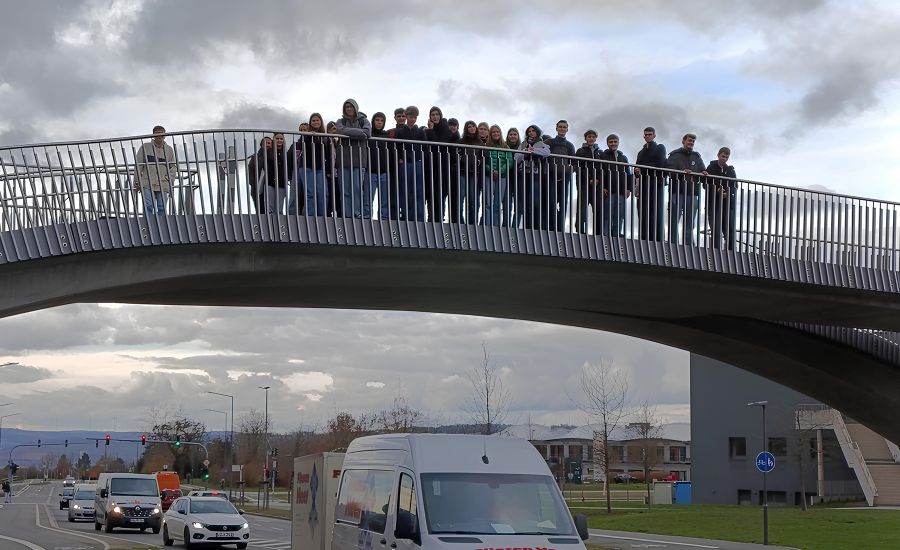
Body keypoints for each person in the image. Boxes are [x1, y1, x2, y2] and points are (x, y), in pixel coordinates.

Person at [667, 133, 708, 245]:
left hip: (692, 193)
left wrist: (703, 173)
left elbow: (702, 170)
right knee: (674, 219)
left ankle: (689, 244)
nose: (691, 143)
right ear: (683, 141)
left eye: (693, 141)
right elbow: (669, 171)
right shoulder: (674, 155)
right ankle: (673, 243)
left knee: (690, 221)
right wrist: (682, 173)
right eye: (689, 140)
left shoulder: (697, 157)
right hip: (677, 192)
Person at [335, 98, 372, 219]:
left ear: (356, 108)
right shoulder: (340, 121)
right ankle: (347, 215)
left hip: (359, 160)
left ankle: (356, 214)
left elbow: (367, 132)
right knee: (345, 190)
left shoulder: (364, 120)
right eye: (347, 107)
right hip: (343, 160)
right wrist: (359, 133)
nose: (349, 109)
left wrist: (349, 133)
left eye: (351, 107)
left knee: (356, 189)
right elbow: (340, 130)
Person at [288, 113, 329, 216]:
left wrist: (328, 169)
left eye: (317, 120)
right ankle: (310, 216)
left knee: (322, 193)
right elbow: (301, 146)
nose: (315, 122)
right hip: (306, 167)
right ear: (310, 123)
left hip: (320, 168)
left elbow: (328, 154)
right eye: (313, 121)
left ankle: (322, 216)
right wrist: (309, 135)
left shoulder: (325, 137)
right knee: (310, 194)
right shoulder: (306, 136)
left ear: (321, 122)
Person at [135, 125, 178, 216]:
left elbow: (173, 167)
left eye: (162, 134)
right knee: (148, 205)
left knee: (162, 206)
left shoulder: (169, 150)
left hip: (163, 183)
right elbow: (138, 165)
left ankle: (161, 227)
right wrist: (137, 181)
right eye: (157, 134)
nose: (159, 136)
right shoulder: (145, 147)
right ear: (153, 135)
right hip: (147, 181)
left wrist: (169, 179)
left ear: (165, 135)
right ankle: (148, 226)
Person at [394, 106, 428, 222]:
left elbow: (425, 148)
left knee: (418, 191)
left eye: (414, 117)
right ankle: (405, 215)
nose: (412, 119)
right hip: (405, 163)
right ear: (406, 116)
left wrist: (422, 159)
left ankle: (419, 216)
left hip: (417, 163)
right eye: (410, 117)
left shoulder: (420, 132)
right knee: (405, 190)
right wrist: (399, 158)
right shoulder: (399, 132)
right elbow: (396, 147)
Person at [514, 124, 551, 230]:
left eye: (533, 131)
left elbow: (547, 153)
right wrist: (525, 151)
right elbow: (516, 157)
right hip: (522, 174)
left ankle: (536, 227)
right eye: (529, 131)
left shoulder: (541, 143)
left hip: (535, 175)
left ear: (537, 132)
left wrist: (533, 150)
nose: (531, 133)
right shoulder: (523, 144)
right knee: (524, 202)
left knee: (535, 202)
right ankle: (527, 227)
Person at [634, 127, 667, 242]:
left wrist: (642, 169)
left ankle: (657, 240)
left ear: (654, 135)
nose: (647, 136)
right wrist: (637, 172)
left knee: (655, 213)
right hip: (643, 186)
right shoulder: (641, 152)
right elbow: (637, 167)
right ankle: (643, 239)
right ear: (644, 136)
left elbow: (660, 163)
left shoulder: (660, 148)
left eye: (650, 134)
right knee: (642, 212)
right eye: (646, 135)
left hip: (655, 185)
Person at [544, 120, 576, 232]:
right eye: (560, 127)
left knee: (563, 204)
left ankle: (560, 229)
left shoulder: (570, 145)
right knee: (551, 203)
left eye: (564, 127)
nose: (562, 129)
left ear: (567, 129)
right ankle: (551, 228)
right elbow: (543, 156)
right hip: (551, 177)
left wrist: (568, 170)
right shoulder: (550, 142)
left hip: (565, 178)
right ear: (556, 128)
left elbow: (574, 163)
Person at [425, 106, 455, 222]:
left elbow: (439, 144)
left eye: (437, 114)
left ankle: (439, 219)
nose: (435, 117)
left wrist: (431, 130)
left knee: (440, 194)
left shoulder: (445, 128)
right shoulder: (428, 130)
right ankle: (430, 218)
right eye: (433, 115)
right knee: (430, 194)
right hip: (430, 167)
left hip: (442, 167)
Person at [599, 134, 633, 237]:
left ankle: (616, 233)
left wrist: (629, 188)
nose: (613, 144)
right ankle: (605, 233)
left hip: (622, 191)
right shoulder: (603, 156)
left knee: (620, 214)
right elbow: (600, 172)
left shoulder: (623, 157)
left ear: (618, 143)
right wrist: (602, 186)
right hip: (609, 190)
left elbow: (628, 173)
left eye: (615, 142)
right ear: (607, 143)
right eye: (611, 142)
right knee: (607, 214)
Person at [705, 147, 737, 250]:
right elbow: (705, 185)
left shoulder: (730, 170)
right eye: (723, 156)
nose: (725, 158)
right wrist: (717, 190)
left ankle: (731, 253)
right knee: (716, 230)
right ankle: (716, 253)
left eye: (727, 157)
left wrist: (727, 193)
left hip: (727, 205)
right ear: (718, 155)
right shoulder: (711, 168)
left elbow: (735, 186)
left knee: (730, 231)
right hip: (714, 204)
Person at [575, 129, 603, 234]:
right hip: (584, 185)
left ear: (596, 138)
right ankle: (580, 232)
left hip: (597, 186)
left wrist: (598, 179)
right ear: (585, 138)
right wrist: (589, 179)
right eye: (589, 137)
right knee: (582, 210)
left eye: (593, 137)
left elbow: (602, 168)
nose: (591, 138)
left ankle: (598, 233)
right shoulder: (580, 151)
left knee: (598, 210)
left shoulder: (600, 152)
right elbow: (579, 168)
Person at [485, 125, 513, 227]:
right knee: (488, 203)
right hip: (489, 176)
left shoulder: (505, 147)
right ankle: (487, 226)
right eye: (493, 132)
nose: (496, 134)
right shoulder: (486, 146)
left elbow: (510, 162)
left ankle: (496, 227)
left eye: (498, 132)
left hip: (502, 177)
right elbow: (484, 161)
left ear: (500, 134)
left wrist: (500, 171)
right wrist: (491, 170)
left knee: (497, 204)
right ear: (490, 134)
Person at [457, 121, 482, 224]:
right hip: (462, 172)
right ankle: (460, 222)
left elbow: (483, 156)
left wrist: (479, 161)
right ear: (466, 129)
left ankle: (472, 223)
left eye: (473, 126)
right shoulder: (461, 141)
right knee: (461, 198)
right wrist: (460, 160)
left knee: (473, 200)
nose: (471, 128)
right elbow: (455, 153)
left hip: (474, 173)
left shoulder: (480, 142)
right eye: (469, 127)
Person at [369, 112, 391, 220]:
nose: (379, 122)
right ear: (373, 121)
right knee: (368, 199)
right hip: (370, 172)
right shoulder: (368, 134)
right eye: (377, 120)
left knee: (384, 199)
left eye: (381, 121)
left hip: (383, 171)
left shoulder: (386, 135)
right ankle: (367, 218)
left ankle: (384, 219)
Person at [246, 136, 272, 211]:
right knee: (260, 210)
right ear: (261, 144)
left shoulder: (275, 157)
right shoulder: (255, 157)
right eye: (266, 143)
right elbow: (250, 171)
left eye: (269, 143)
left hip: (271, 186)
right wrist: (254, 183)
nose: (268, 145)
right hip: (257, 186)